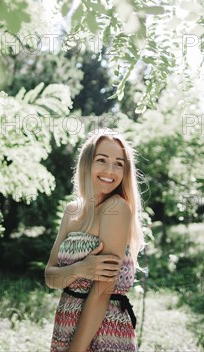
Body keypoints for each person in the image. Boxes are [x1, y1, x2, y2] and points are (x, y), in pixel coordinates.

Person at [45, 128, 145, 352]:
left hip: (102, 329)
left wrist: (76, 349)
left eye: (119, 163)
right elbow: (50, 277)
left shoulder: (116, 208)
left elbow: (103, 290)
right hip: (65, 324)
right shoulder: (72, 211)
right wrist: (81, 269)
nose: (110, 170)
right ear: (87, 163)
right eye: (102, 160)